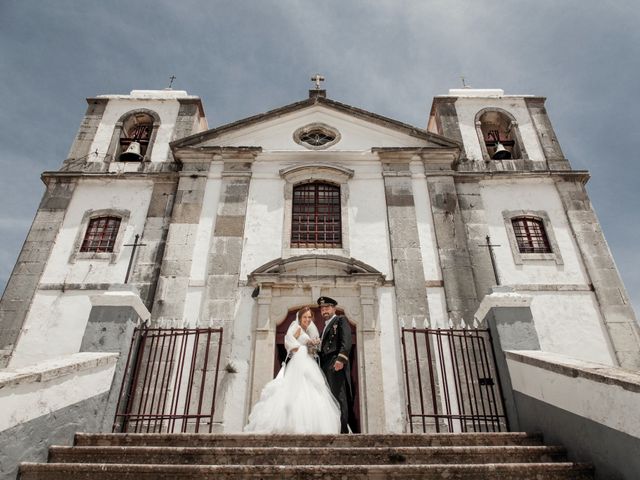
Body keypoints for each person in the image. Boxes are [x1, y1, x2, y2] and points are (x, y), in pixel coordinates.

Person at [244, 306, 341, 434]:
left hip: (308, 362)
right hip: (299, 362)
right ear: (300, 318)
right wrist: (302, 349)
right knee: (296, 390)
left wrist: (313, 345)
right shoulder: (296, 328)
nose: (307, 319)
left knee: (312, 390)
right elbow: (289, 342)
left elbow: (309, 344)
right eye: (304, 317)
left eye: (309, 317)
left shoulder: (307, 329)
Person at [317, 296, 356, 434]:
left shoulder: (340, 320)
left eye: (327, 307)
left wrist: (341, 359)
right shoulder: (325, 326)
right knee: (330, 397)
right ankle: (334, 427)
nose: (324, 310)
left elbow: (347, 341)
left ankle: (343, 429)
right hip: (325, 365)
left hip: (335, 363)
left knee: (339, 396)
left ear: (334, 308)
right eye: (322, 308)